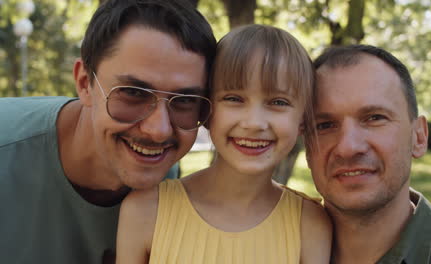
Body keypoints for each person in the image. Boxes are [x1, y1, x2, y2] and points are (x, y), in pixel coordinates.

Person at [0, 0, 216, 263]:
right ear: (84, 83)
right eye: (133, 93)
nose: (158, 131)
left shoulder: (163, 178)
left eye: (184, 100)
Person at [116, 24, 332, 264]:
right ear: (206, 111)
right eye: (234, 99)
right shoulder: (145, 212)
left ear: (302, 121)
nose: (254, 123)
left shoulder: (310, 224)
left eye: (278, 102)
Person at [304, 44, 431, 263]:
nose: (348, 147)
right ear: (307, 148)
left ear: (418, 137)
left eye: (374, 118)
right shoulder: (272, 252)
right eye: (324, 125)